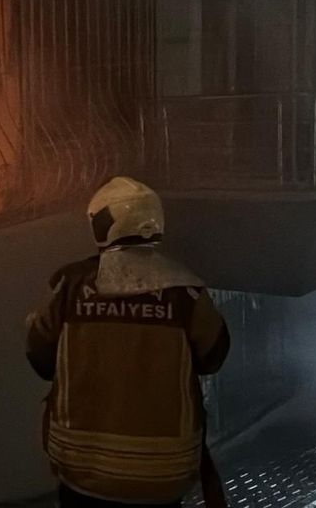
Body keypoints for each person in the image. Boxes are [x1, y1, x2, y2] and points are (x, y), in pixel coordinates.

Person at [26, 177, 231, 507]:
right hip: (164, 472)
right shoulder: (186, 291)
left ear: (102, 224)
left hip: (82, 467)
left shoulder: (68, 286)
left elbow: (40, 359)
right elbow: (213, 356)